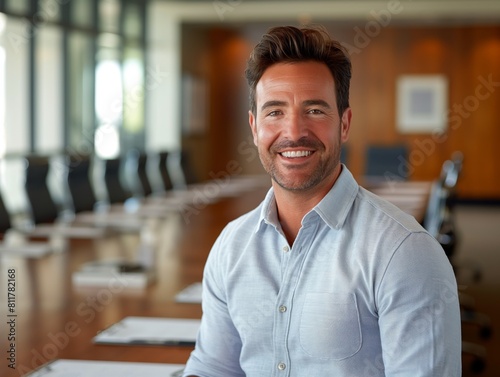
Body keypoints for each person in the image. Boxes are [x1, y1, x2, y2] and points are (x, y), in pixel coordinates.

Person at [182, 25, 461, 377]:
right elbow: (212, 368)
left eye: (314, 110)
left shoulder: (404, 253)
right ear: (254, 128)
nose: (294, 131)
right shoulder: (231, 247)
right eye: (275, 112)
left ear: (344, 124)